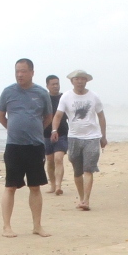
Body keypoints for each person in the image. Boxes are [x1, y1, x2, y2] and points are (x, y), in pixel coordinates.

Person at [0, 58, 53, 237]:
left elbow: (48, 117)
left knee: (35, 186)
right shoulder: (8, 92)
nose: (20, 74)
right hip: (14, 146)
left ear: (32, 72)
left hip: (35, 146)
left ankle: (37, 226)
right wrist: (13, 130)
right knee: (10, 186)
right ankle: (7, 227)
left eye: (23, 71)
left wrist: (34, 130)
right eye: (17, 71)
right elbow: (0, 116)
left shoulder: (41, 93)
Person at [50, 70, 107, 211]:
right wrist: (54, 130)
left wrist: (103, 136)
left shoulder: (94, 96)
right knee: (77, 171)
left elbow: (101, 117)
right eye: (77, 79)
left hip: (92, 137)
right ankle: (81, 198)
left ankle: (86, 200)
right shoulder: (66, 97)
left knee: (88, 169)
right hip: (74, 137)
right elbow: (58, 115)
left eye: (82, 79)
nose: (80, 81)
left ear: (86, 81)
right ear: (72, 81)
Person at [42, 75, 68, 196]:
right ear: (47, 86)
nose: (56, 86)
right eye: (53, 84)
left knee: (58, 158)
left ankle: (58, 186)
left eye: (57, 83)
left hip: (62, 133)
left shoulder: (64, 98)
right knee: (50, 160)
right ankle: (52, 185)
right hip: (46, 134)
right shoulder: (44, 99)